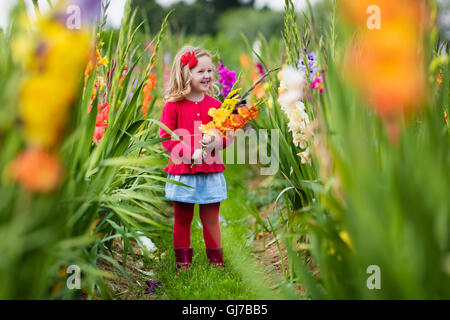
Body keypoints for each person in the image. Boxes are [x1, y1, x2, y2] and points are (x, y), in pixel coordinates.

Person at [159, 46, 234, 273]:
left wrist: (216, 142)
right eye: (200, 71)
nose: (207, 76)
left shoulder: (216, 106)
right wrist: (190, 152)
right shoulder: (173, 105)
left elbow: (227, 135)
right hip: (182, 171)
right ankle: (183, 263)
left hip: (210, 171)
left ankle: (216, 262)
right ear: (185, 74)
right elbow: (166, 137)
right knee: (182, 218)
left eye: (210, 71)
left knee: (211, 218)